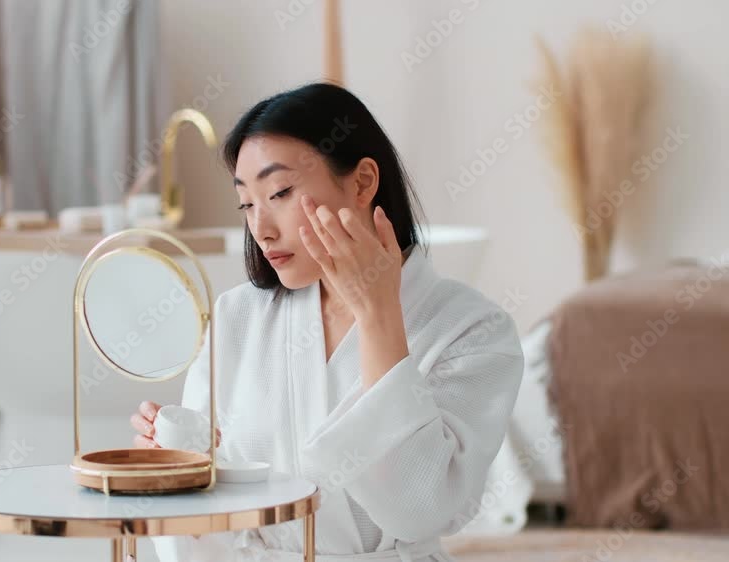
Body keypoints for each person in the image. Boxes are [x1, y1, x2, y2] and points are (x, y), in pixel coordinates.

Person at [130, 82, 524, 562]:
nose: (261, 229)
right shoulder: (237, 317)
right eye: (247, 204)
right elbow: (202, 516)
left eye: (280, 193)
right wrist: (175, 465)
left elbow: (421, 509)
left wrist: (378, 316)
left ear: (362, 182)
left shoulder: (473, 329)